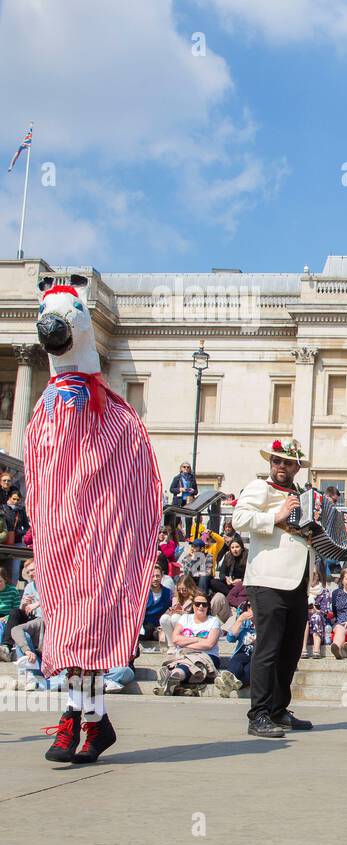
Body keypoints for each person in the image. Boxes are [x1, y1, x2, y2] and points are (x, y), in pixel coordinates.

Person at [27, 275, 164, 765]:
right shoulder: (46, 411)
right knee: (68, 624)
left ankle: (78, 717)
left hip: (102, 539)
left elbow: (132, 479)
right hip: (62, 536)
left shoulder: (116, 417)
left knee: (86, 625)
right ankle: (91, 719)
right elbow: (41, 473)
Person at [232, 437, 347, 738]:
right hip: (267, 578)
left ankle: (277, 709)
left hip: (298, 579)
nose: (281, 466)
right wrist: (276, 516)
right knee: (268, 648)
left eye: (287, 462)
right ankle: (258, 713)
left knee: (289, 650)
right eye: (276, 461)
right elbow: (239, 518)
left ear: (297, 466)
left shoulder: (305, 496)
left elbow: (317, 531)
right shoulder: (260, 487)